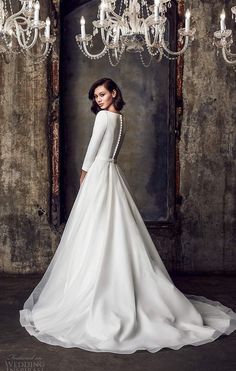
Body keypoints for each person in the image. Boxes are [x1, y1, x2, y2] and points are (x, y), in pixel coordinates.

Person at [19, 77, 236, 354]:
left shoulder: (102, 119)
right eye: (95, 96)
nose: (98, 99)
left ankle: (97, 286)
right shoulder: (120, 119)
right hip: (113, 173)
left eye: (101, 94)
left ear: (113, 93)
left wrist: (84, 174)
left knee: (95, 231)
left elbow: (93, 148)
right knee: (115, 230)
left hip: (100, 174)